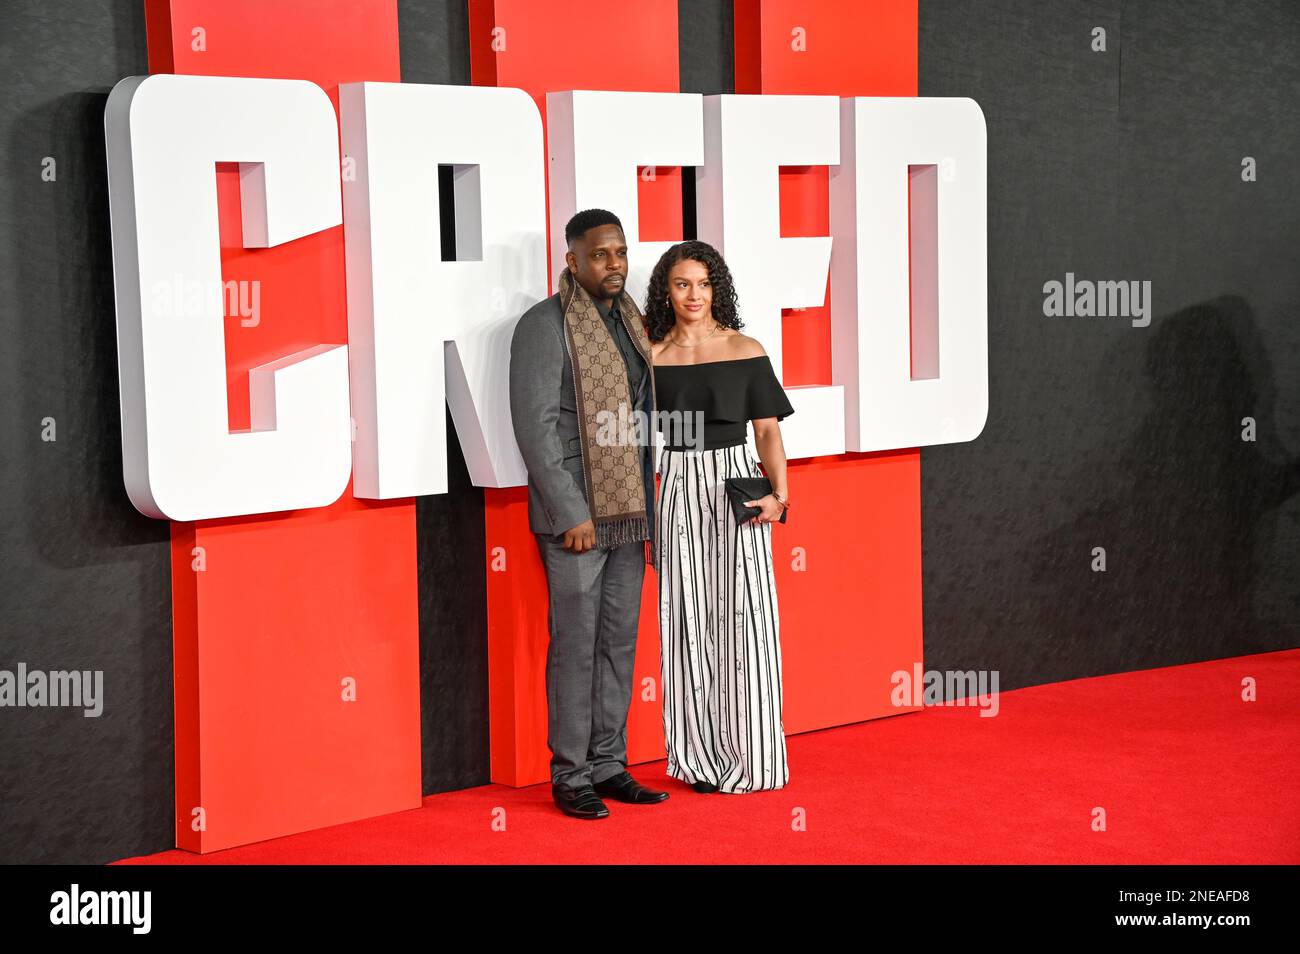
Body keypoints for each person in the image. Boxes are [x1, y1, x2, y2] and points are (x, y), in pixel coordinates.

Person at [508, 209, 669, 819]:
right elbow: (536, 428)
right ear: (572, 260)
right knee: (575, 643)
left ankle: (609, 762)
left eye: (621, 253)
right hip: (576, 514)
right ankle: (570, 774)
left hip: (629, 509)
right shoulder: (543, 327)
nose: (615, 265)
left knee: (618, 641)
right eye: (600, 255)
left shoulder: (633, 323)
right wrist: (568, 510)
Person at [645, 240, 794, 794]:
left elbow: (769, 431)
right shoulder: (652, 356)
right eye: (683, 283)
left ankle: (754, 755)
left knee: (748, 620)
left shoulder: (745, 347)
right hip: (678, 484)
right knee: (686, 621)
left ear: (717, 289)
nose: (694, 295)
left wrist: (780, 496)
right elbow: (636, 439)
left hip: (737, 485)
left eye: (704, 284)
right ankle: (696, 758)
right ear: (667, 289)